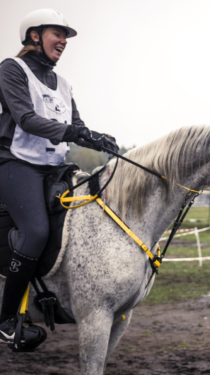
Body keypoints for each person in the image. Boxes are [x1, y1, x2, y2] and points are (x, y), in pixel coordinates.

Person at [0, 9, 118, 349]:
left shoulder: (64, 85)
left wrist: (95, 136)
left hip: (54, 167)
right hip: (16, 163)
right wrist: (80, 134)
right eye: (58, 33)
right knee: (35, 231)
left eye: (66, 36)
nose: (64, 40)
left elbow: (75, 126)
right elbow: (25, 119)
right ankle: (7, 320)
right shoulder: (12, 68)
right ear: (35, 35)